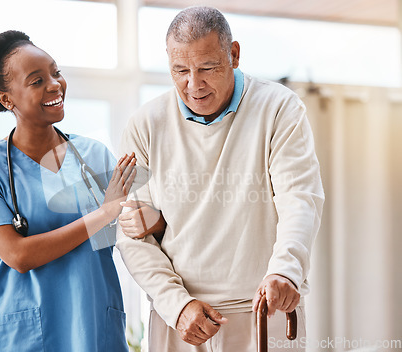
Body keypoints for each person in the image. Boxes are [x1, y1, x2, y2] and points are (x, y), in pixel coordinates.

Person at [116, 6, 324, 352]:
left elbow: (299, 197)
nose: (193, 84)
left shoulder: (279, 108)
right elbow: (131, 232)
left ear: (234, 54)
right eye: (180, 70)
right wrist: (175, 304)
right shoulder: (145, 123)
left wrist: (286, 270)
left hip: (261, 310)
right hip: (180, 319)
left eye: (207, 68)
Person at [0, 30, 146, 351]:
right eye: (36, 80)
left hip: (94, 328)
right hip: (24, 338)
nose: (55, 85)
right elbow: (18, 255)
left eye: (56, 73)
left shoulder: (94, 155)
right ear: (6, 99)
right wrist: (103, 213)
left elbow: (133, 230)